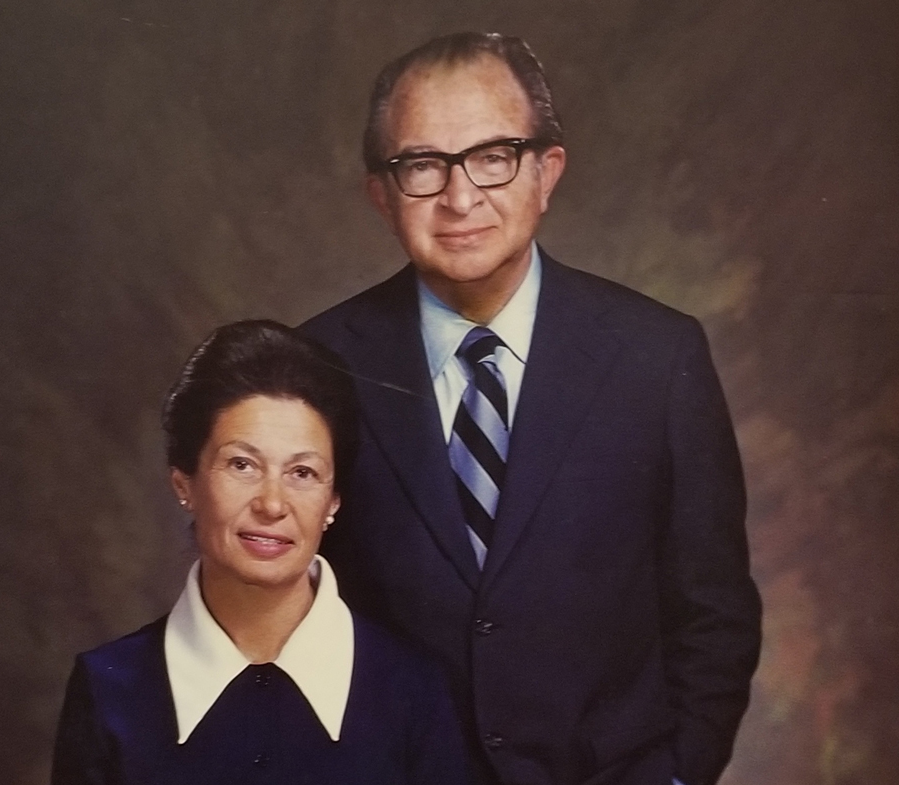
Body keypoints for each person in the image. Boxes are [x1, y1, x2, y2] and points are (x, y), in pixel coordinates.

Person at [301, 32, 762, 785]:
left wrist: (680, 772)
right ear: (381, 195)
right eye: (422, 164)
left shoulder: (657, 355)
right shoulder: (317, 364)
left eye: (493, 156)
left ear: (547, 173)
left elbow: (713, 612)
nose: (460, 197)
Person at [51, 320, 473, 785]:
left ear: (333, 502)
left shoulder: (413, 690)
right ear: (184, 484)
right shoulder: (110, 686)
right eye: (242, 464)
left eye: (303, 473)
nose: (272, 504)